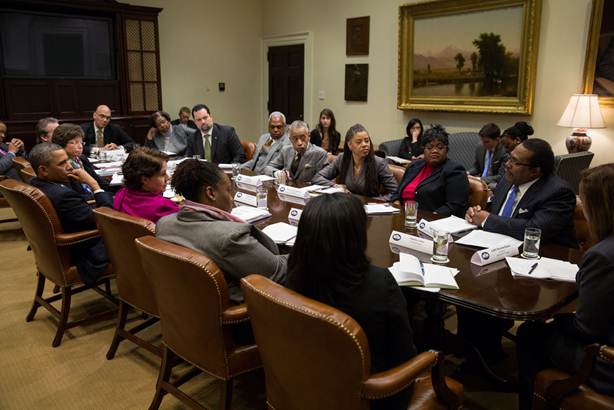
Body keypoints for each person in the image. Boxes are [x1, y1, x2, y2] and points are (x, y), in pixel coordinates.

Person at [286, 193, 416, 410]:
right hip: (370, 394)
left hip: (305, 380)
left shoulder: (294, 274)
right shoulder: (379, 282)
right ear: (356, 236)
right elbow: (404, 354)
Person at [516, 163, 614, 410]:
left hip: (604, 362)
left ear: (600, 205)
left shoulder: (603, 255)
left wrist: (557, 319)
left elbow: (586, 328)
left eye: (583, 197)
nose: (579, 202)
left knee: (530, 333)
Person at [156, 159, 286, 302]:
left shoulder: (163, 224)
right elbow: (276, 271)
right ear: (211, 193)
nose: (232, 198)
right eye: (229, 190)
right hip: (238, 308)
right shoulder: (230, 237)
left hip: (186, 303)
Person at [465, 138, 576, 248]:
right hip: (496, 247)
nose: (507, 164)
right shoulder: (508, 179)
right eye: (509, 158)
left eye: (515, 161)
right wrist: (476, 213)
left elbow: (535, 230)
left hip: (543, 255)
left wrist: (488, 219)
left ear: (535, 171)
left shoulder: (558, 192)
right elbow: (495, 211)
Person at [29, 143, 112, 286]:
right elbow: (107, 218)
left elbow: (77, 203)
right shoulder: (62, 196)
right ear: (43, 170)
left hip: (53, 253)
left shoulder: (36, 183)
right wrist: (93, 184)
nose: (69, 166)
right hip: (85, 254)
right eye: (62, 163)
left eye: (67, 160)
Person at [391, 124, 469, 217]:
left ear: (446, 150)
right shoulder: (414, 166)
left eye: (439, 147)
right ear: (423, 150)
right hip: (402, 217)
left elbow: (455, 206)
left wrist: (430, 217)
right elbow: (397, 192)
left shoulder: (455, 171)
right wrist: (396, 205)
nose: (434, 151)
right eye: (429, 147)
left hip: (431, 223)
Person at [312, 124, 398, 199]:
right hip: (347, 205)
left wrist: (377, 201)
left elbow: (396, 192)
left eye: (367, 141)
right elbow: (317, 177)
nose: (365, 145)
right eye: (359, 142)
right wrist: (334, 186)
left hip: (369, 208)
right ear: (349, 145)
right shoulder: (342, 159)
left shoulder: (379, 163)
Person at [114, 147, 179, 223]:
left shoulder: (121, 195)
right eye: (163, 174)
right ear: (145, 180)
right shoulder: (165, 207)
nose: (168, 177)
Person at [264, 120, 328, 182]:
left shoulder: (320, 154)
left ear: (309, 136)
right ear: (290, 139)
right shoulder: (286, 151)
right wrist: (277, 173)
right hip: (288, 190)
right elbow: (267, 168)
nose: (299, 143)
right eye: (295, 139)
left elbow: (323, 179)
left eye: (303, 138)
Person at [52, 123, 110, 192]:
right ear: (61, 144)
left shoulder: (82, 159)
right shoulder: (63, 167)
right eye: (74, 143)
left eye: (81, 142)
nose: (80, 146)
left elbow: (100, 181)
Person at [469, 123, 506, 188]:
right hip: (480, 181)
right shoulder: (480, 148)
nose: (483, 144)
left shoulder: (504, 152)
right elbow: (476, 168)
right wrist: (467, 173)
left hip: (493, 183)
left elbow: (501, 176)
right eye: (481, 140)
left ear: (497, 139)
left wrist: (480, 179)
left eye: (486, 142)